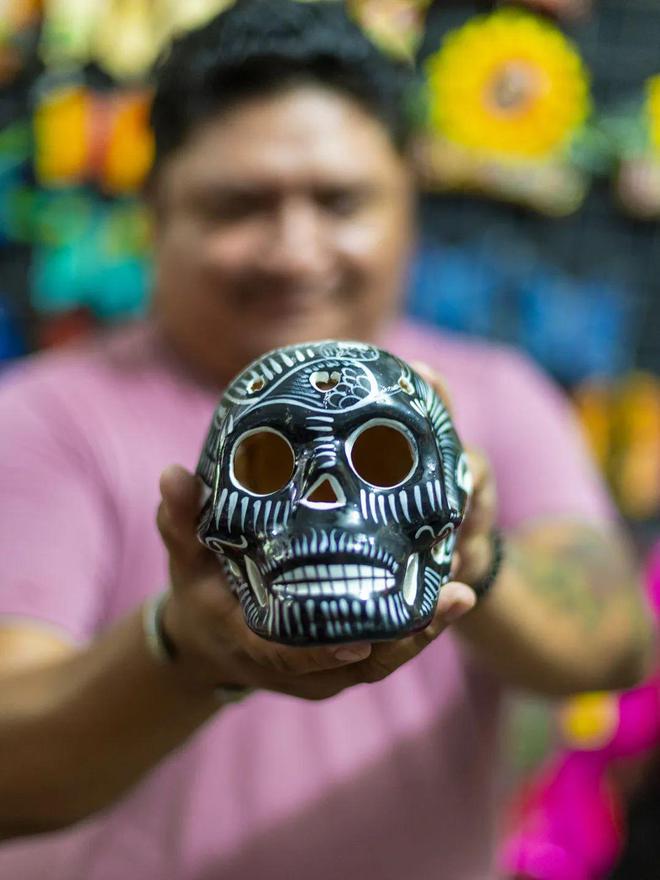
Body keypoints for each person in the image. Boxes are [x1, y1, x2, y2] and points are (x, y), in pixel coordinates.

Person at [0, 2, 652, 877]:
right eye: (239, 206)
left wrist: (478, 560)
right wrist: (183, 651)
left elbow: (615, 645)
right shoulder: (41, 420)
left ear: (408, 200)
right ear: (156, 209)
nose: (295, 251)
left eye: (340, 201)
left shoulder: (499, 397)